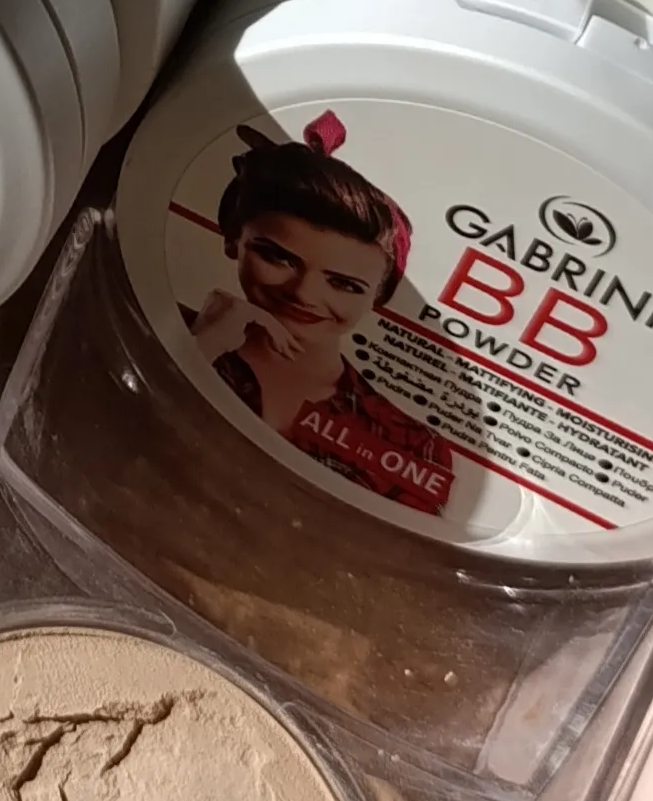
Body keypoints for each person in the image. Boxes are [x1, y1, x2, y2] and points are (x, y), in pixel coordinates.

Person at [187, 113, 455, 516]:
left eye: (345, 284)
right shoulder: (173, 331)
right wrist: (201, 347)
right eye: (278, 257)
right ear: (233, 239)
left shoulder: (417, 446)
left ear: (379, 296)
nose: (303, 293)